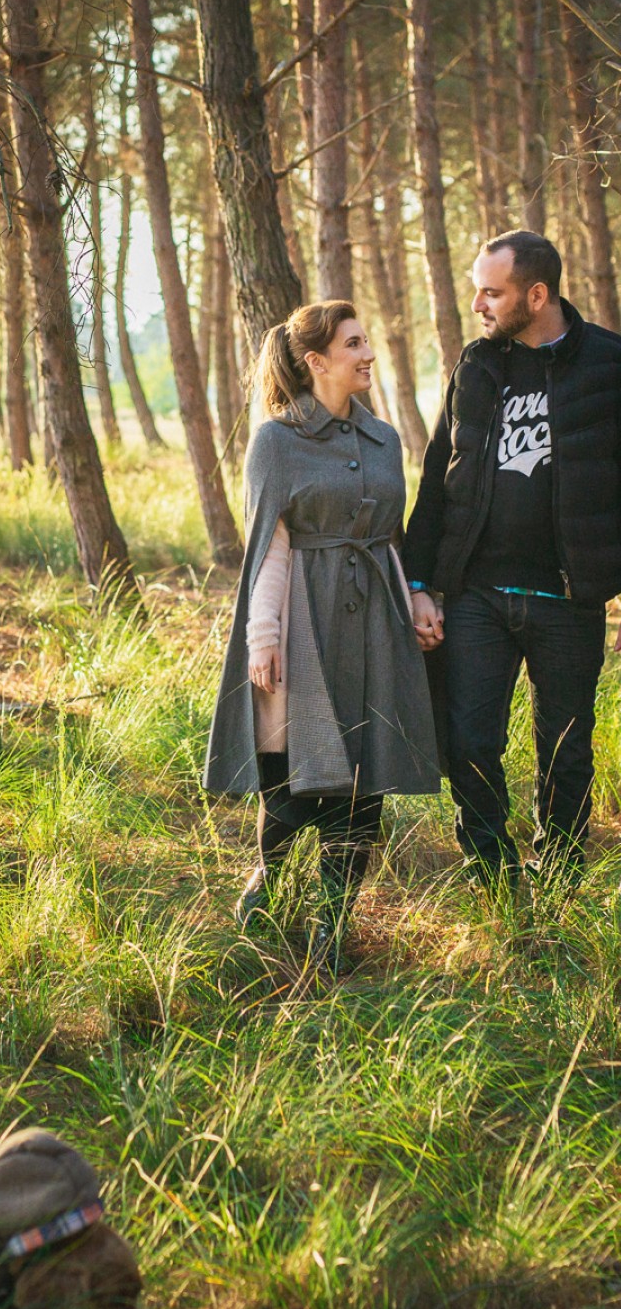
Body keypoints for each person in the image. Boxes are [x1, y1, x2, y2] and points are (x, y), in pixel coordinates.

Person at [204, 301, 441, 969]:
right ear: (316, 361)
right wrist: (262, 639)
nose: (369, 354)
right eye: (354, 344)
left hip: (375, 625)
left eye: (367, 341)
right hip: (301, 618)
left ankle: (334, 930)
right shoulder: (276, 441)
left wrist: (416, 598)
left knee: (366, 779)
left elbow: (388, 537)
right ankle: (269, 883)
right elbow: (268, 547)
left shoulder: (385, 440)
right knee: (294, 776)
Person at [404, 230, 621, 887]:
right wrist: (419, 583)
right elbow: (437, 475)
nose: (478, 303)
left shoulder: (610, 367)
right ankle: (491, 866)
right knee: (469, 742)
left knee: (566, 753)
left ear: (536, 293)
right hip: (476, 595)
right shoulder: (477, 365)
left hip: (568, 598)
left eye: (491, 292)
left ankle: (557, 875)